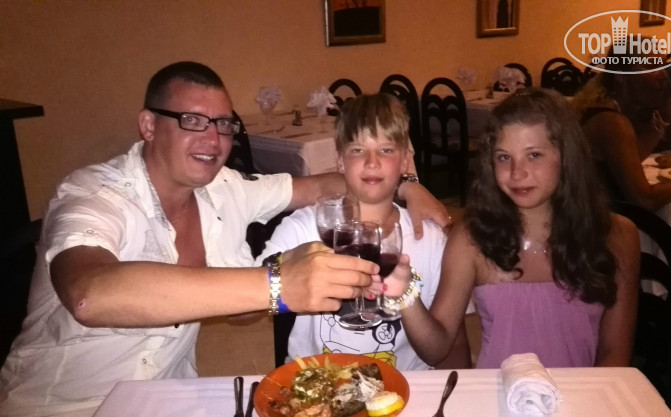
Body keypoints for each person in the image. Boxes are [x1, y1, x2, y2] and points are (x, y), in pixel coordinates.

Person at [0, 62, 449, 417]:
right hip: (62, 405)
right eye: (192, 120)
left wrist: (407, 185)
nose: (213, 139)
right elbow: (89, 294)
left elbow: (322, 184)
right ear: (149, 125)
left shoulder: (227, 188)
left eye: (223, 123)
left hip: (167, 397)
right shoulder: (93, 194)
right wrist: (278, 284)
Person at [398, 89, 640, 368]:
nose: (517, 172)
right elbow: (436, 349)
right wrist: (404, 293)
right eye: (504, 157)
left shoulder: (618, 236)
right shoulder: (471, 240)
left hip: (581, 394)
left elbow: (614, 355)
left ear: (567, 156)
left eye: (534, 155)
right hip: (498, 393)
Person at [256, 93, 471, 370]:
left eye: (386, 150)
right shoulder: (304, 228)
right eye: (357, 150)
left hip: (405, 385)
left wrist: (406, 296)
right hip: (319, 382)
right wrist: (292, 266)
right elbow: (248, 307)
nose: (372, 162)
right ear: (340, 161)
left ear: (406, 161)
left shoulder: (430, 239)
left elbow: (437, 352)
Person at [572, 51, 671, 210]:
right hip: (595, 222)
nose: (664, 76)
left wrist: (665, 115)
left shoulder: (603, 109)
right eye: (651, 67)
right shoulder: (611, 122)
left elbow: (632, 159)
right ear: (621, 76)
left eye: (663, 66)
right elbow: (644, 199)